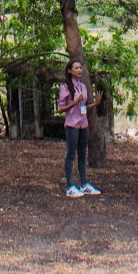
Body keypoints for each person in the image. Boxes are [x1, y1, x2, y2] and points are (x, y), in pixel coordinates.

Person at [58, 59, 102, 197]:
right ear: (69, 70)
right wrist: (74, 102)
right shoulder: (65, 87)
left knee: (83, 154)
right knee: (71, 154)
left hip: (83, 124)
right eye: (76, 68)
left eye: (80, 67)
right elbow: (61, 108)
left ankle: (84, 184)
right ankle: (70, 186)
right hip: (72, 124)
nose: (79, 70)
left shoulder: (83, 86)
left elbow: (83, 106)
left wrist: (95, 103)